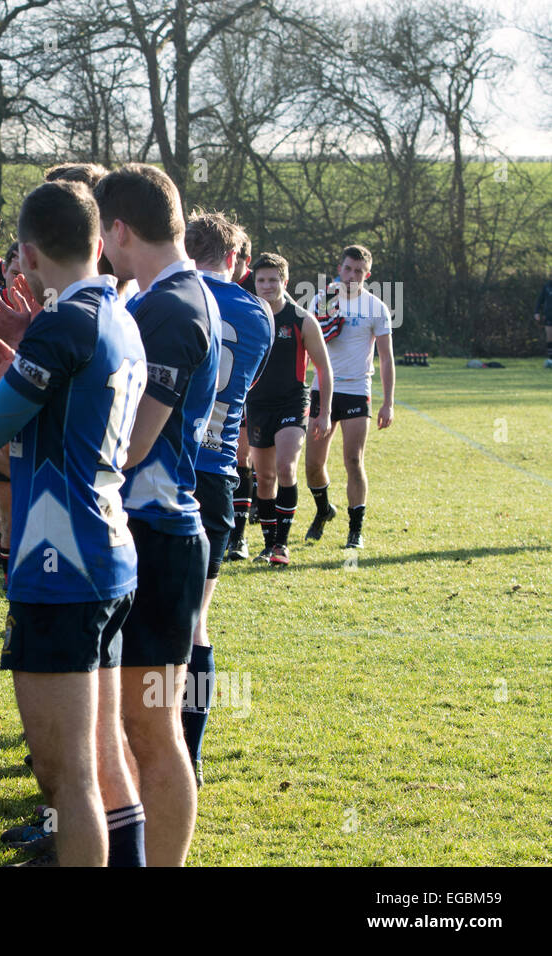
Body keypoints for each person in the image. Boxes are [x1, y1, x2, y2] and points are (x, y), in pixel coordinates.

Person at [0, 180, 149, 866]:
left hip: (62, 567)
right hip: (107, 552)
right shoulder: (113, 312)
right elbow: (27, 444)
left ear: (23, 252)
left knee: (67, 778)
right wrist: (12, 360)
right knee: (105, 760)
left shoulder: (63, 324)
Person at [94, 163, 220, 867]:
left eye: (102, 236)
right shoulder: (162, 297)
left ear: (117, 229)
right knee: (125, 720)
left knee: (152, 723)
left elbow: (134, 440)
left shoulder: (172, 306)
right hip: (143, 532)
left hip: (161, 536)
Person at [181, 212, 272, 787]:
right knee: (195, 623)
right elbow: (247, 385)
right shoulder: (256, 313)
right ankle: (187, 755)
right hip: (216, 473)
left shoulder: (163, 296)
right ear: (236, 261)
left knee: (127, 618)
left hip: (159, 468)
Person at [303, 244, 394, 549]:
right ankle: (323, 509)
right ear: (339, 269)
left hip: (357, 390)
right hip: (322, 390)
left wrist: (388, 402)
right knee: (313, 465)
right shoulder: (323, 300)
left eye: (358, 271)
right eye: (347, 269)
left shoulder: (376, 308)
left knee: (353, 460)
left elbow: (386, 357)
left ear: (367, 275)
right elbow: (307, 348)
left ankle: (355, 531)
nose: (352, 275)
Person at [247, 253, 332, 564]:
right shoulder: (249, 317)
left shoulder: (302, 320)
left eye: (273, 279)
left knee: (285, 468)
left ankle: (282, 545)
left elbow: (324, 368)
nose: (267, 285)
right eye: (261, 280)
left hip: (292, 403)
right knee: (265, 477)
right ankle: (268, 545)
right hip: (256, 404)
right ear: (254, 283)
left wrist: (325, 412)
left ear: (285, 281)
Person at [534, 274, 552, 368]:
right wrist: (536, 312)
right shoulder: (547, 286)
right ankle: (550, 359)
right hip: (549, 316)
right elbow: (540, 300)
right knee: (549, 338)